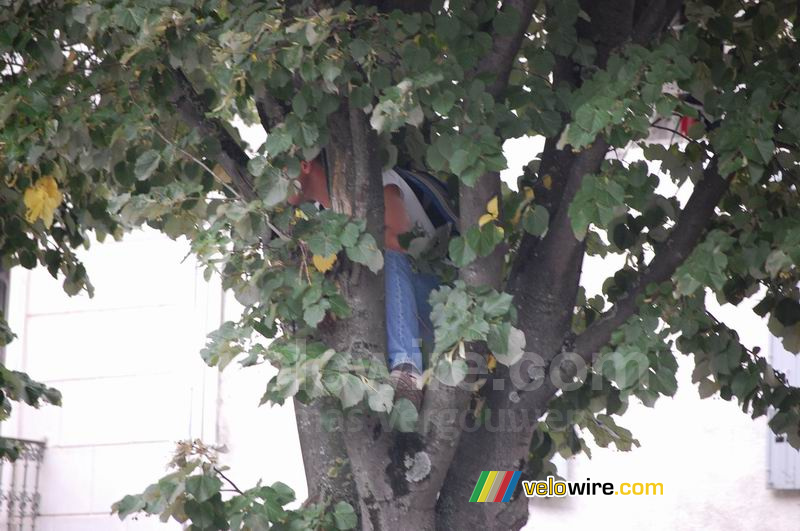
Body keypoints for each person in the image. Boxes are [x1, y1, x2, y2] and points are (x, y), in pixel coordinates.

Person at [287, 154, 457, 409]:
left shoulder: (378, 183)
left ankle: (406, 370)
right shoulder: (322, 222)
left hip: (439, 301)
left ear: (305, 164)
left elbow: (399, 241)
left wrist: (347, 248)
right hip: (401, 318)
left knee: (380, 248)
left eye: (279, 169)